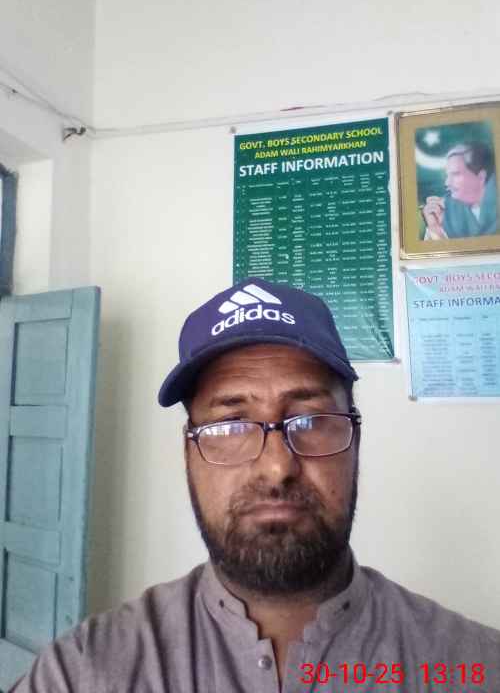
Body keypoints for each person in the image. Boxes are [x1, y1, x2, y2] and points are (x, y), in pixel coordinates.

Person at [9, 278, 500, 692]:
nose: (277, 467)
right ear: (189, 452)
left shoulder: (475, 666)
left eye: (311, 419)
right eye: (230, 425)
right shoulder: (80, 674)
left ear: (355, 440)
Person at [422, 141, 497, 239]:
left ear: (481, 176)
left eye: (456, 174)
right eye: (448, 175)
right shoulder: (445, 212)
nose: (447, 183)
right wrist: (435, 228)